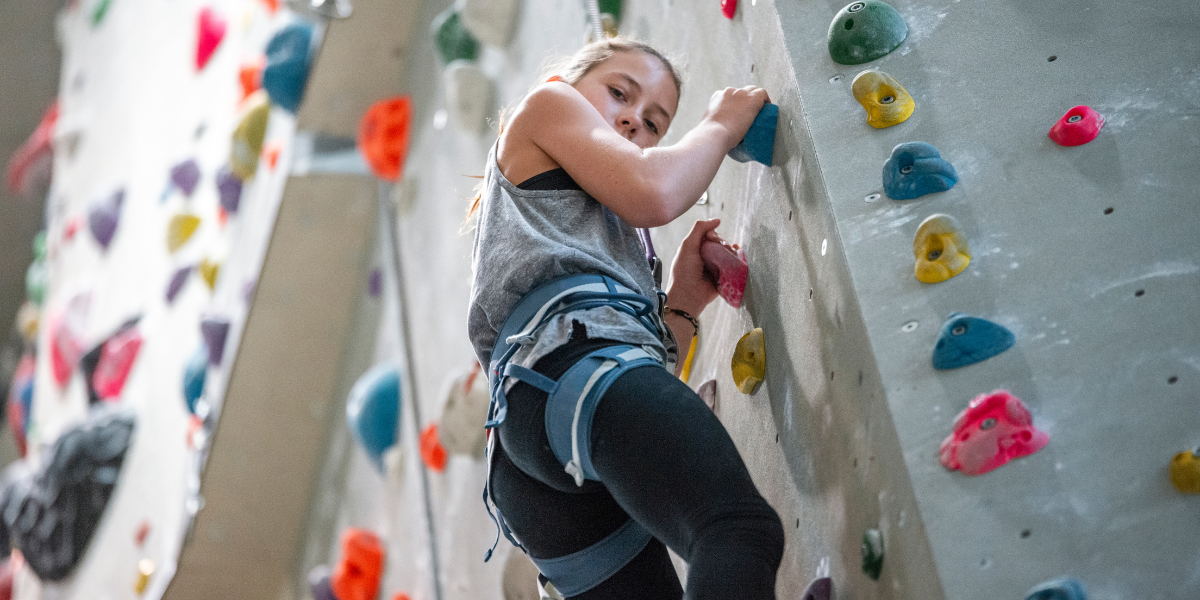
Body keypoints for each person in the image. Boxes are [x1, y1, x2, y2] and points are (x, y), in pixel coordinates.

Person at [467, 37, 784, 600]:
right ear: (572, 81)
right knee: (735, 529)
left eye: (655, 124)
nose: (635, 120)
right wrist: (720, 124)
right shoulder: (547, 105)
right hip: (571, 379)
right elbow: (655, 189)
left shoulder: (598, 236)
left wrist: (681, 303)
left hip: (532, 447)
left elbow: (644, 382)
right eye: (619, 93)